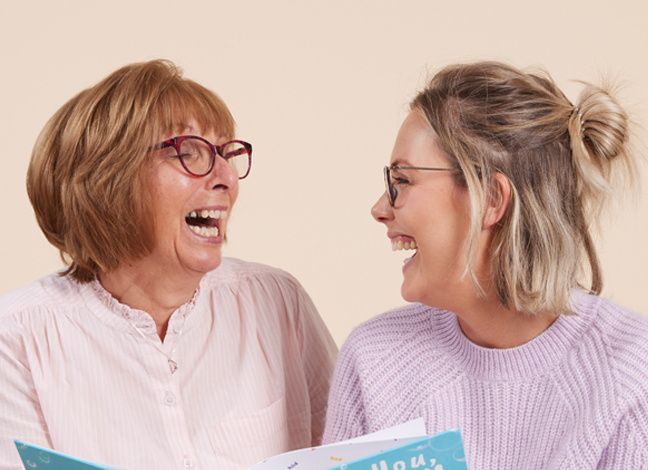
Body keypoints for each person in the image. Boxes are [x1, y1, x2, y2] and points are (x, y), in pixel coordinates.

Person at [0, 60, 337, 470]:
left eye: (226, 153)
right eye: (189, 153)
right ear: (108, 181)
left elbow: (348, 453)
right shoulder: (17, 339)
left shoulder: (277, 301)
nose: (227, 177)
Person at [323, 61, 648, 468]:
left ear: (490, 199)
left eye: (401, 181)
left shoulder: (632, 375)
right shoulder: (374, 361)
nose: (379, 208)